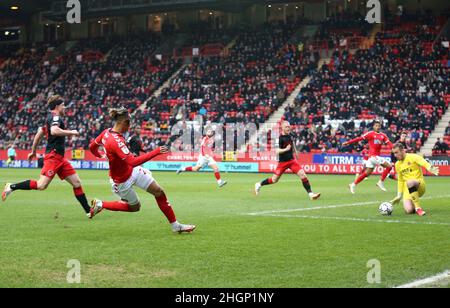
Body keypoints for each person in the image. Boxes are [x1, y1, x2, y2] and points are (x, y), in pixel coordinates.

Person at [88, 107, 196, 234]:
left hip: (132, 171)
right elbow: (133, 161)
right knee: (135, 207)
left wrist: (99, 155)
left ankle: (175, 226)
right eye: (129, 124)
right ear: (124, 123)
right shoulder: (115, 141)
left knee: (159, 192)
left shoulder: (106, 132)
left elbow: (92, 146)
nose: (130, 127)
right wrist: (156, 152)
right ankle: (101, 204)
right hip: (121, 181)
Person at [2, 95, 92, 217]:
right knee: (41, 185)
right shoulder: (55, 117)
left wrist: (33, 151)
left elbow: (39, 133)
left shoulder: (49, 118)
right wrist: (71, 132)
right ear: (57, 106)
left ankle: (88, 211)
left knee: (76, 183)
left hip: (60, 158)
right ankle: (11, 186)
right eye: (63, 105)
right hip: (53, 156)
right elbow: (54, 131)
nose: (65, 107)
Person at [254, 121, 321, 200]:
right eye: (286, 127)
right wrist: (286, 149)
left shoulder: (291, 135)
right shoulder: (280, 138)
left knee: (303, 175)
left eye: (289, 126)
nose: (288, 128)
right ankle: (259, 184)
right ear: (282, 128)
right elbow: (277, 151)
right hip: (283, 162)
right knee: (274, 180)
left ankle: (311, 194)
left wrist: (295, 152)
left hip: (292, 161)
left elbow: (292, 143)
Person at [343, 121, 393, 194]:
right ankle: (380, 182)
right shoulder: (370, 134)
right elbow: (359, 138)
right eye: (376, 125)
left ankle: (353, 184)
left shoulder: (383, 135)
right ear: (373, 126)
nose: (377, 127)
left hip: (373, 158)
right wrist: (348, 142)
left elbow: (389, 144)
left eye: (379, 126)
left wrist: (394, 149)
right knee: (389, 166)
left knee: (367, 173)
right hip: (373, 156)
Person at [389, 143, 439, 216]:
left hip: (419, 184)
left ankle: (418, 208)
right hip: (407, 189)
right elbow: (400, 180)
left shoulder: (413, 157)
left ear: (403, 150)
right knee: (409, 210)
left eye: (396, 152)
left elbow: (423, 162)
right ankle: (414, 204)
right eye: (394, 153)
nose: (395, 155)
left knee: (410, 182)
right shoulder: (397, 164)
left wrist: (429, 167)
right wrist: (399, 195)